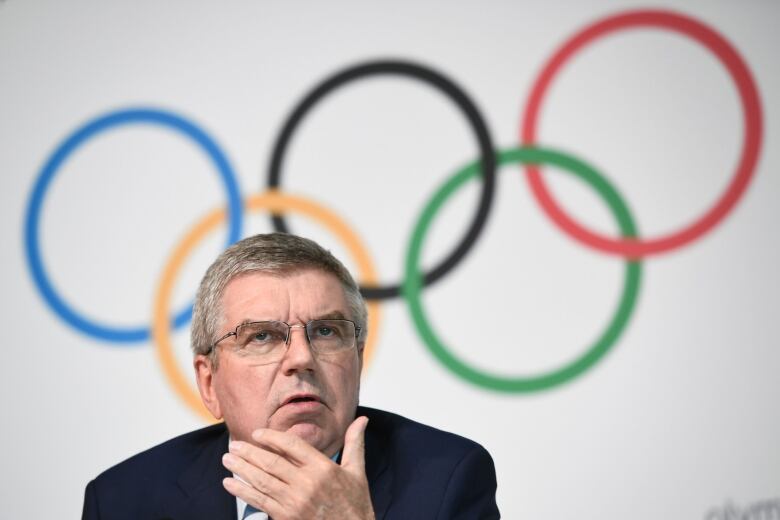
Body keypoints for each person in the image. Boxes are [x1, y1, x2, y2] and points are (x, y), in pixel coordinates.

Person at [82, 233, 500, 520]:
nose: (301, 357)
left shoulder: (448, 481)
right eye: (261, 336)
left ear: (357, 358)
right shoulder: (124, 499)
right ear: (209, 383)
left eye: (326, 331)